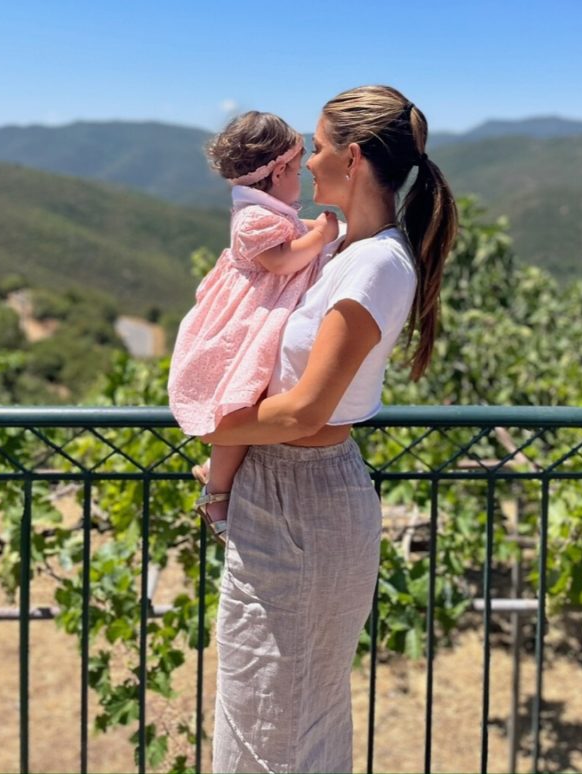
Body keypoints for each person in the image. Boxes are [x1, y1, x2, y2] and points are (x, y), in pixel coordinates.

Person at [199, 85, 458, 773]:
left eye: (316, 148)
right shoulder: (345, 250)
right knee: (267, 712)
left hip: (307, 503)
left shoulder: (375, 267)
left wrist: (213, 425)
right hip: (277, 493)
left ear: (353, 157)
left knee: (277, 724)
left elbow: (307, 410)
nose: (307, 162)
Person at [167, 111, 338, 543]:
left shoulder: (265, 211)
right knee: (240, 401)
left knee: (251, 398)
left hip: (261, 313)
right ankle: (217, 491)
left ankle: (218, 474)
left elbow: (291, 237)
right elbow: (280, 260)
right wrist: (321, 237)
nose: (300, 177)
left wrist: (321, 232)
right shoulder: (252, 218)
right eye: (295, 169)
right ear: (278, 172)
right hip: (248, 322)